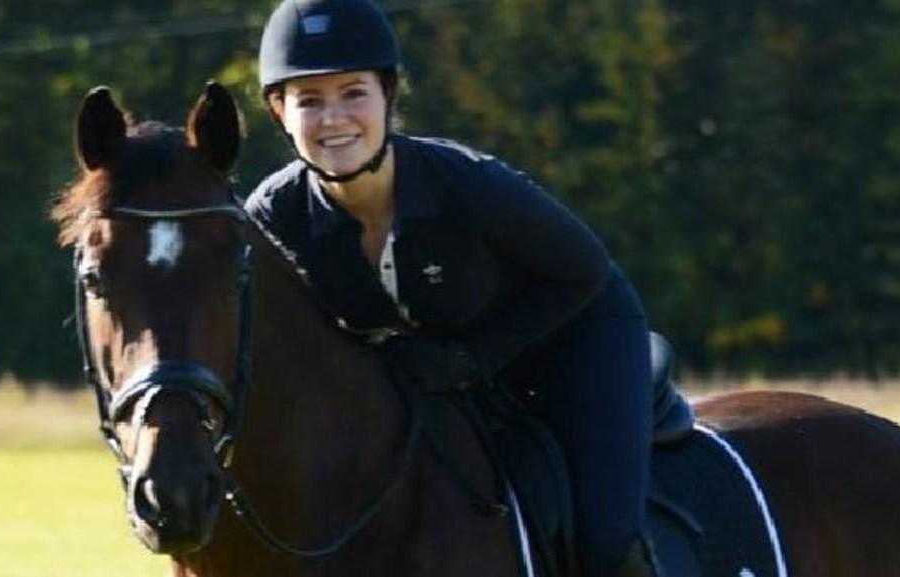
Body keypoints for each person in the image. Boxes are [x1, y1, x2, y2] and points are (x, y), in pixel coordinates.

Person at [245, 1, 657, 575]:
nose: (333, 118)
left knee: (607, 545)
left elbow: (583, 270)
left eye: (352, 92)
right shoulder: (270, 218)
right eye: (308, 100)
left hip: (575, 337)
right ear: (279, 112)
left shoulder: (470, 184)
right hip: (433, 368)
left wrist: (470, 359)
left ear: (389, 95)